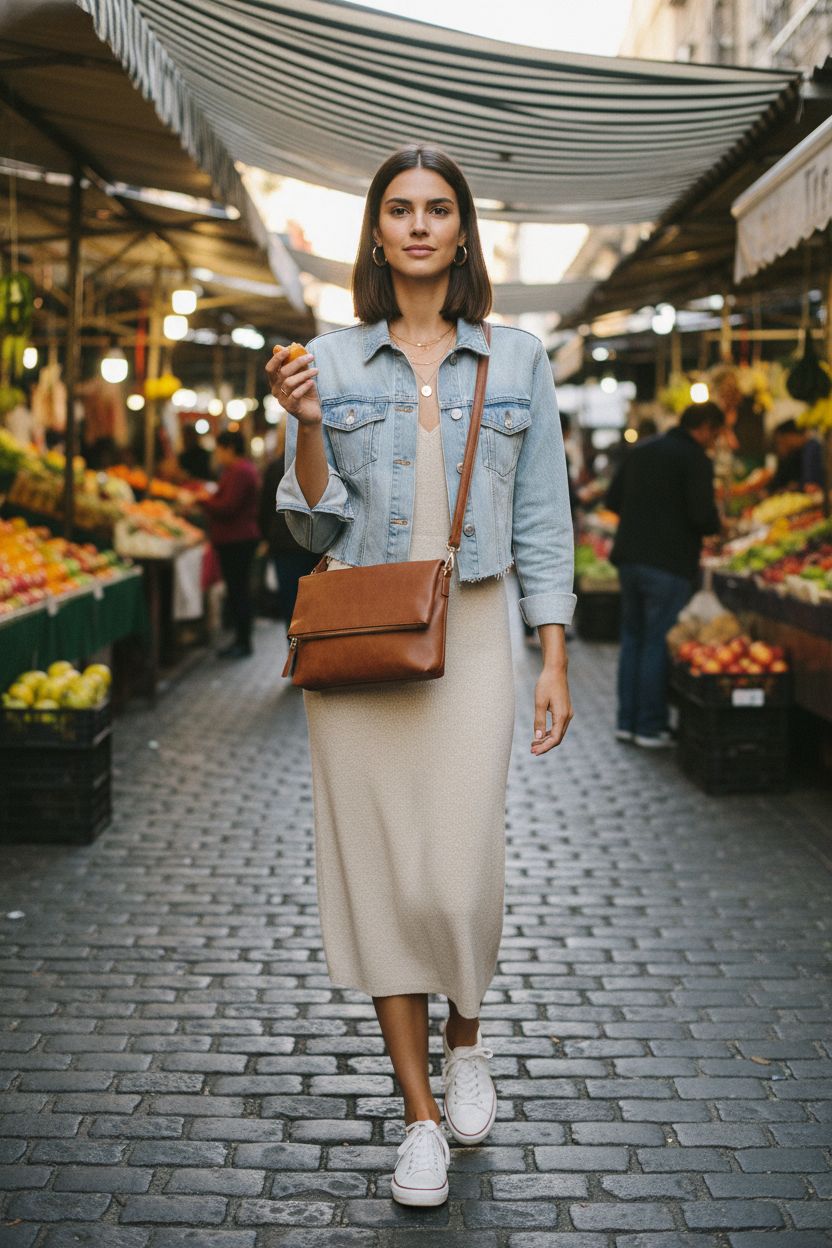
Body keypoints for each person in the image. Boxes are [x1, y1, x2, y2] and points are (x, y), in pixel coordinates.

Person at [267, 144, 575, 1208]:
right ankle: (418, 1118)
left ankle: (468, 1035)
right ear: (376, 231)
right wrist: (307, 427)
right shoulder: (333, 361)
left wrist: (552, 654)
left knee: (456, 870)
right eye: (398, 209)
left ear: (460, 231)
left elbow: (543, 515)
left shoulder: (517, 357)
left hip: (476, 630)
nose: (416, 226)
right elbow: (311, 517)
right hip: (364, 633)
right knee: (381, 879)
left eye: (436, 209)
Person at [606, 401, 724, 748]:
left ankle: (626, 722)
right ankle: (650, 727)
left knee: (633, 640)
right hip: (668, 565)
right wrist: (716, 525)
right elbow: (703, 517)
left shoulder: (641, 451)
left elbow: (612, 500)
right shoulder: (696, 459)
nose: (714, 441)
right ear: (703, 428)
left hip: (629, 560)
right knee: (656, 642)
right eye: (715, 434)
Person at [199, 429, 260, 658]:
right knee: (238, 591)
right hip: (236, 539)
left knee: (238, 591)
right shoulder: (238, 470)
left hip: (238, 540)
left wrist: (203, 502)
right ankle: (240, 640)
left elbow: (228, 507)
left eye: (219, 449)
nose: (217, 454)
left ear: (229, 448)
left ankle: (242, 642)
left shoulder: (240, 471)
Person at [258, 422, 318, 626]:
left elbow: (265, 507)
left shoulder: (275, 466)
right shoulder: (320, 465)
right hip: (315, 542)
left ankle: (294, 653)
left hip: (285, 544)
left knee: (291, 604)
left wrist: (268, 537)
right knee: (314, 604)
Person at [770, 418, 825, 493]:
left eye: (783, 441)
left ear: (791, 435)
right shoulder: (800, 451)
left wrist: (798, 486)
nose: (783, 445)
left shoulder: (812, 447)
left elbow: (811, 483)